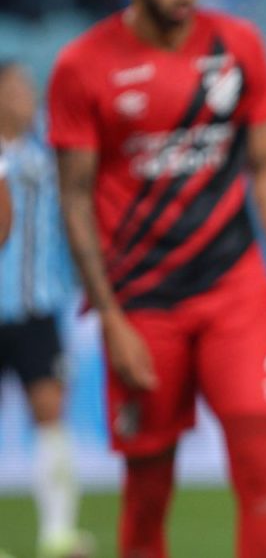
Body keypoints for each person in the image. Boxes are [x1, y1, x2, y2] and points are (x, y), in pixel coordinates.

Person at [47, 0, 266, 558]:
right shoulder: (82, 68)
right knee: (148, 491)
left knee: (261, 478)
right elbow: (74, 201)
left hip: (235, 294)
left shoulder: (238, 47)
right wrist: (109, 317)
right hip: (143, 309)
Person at [0, 62, 92, 558]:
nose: (25, 97)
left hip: (37, 306)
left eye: (28, 88)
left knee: (50, 414)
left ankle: (57, 535)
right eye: (15, 88)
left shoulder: (46, 155)